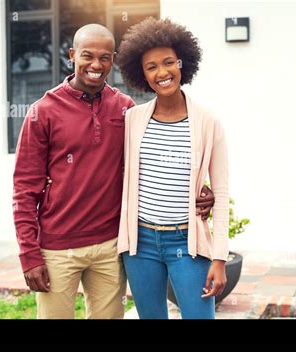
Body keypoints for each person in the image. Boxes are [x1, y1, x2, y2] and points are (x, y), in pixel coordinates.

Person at [12, 23, 215, 319]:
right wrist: (29, 254)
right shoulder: (43, 111)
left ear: (114, 59)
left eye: (105, 57)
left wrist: (199, 190)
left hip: (110, 247)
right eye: (87, 56)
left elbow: (154, 164)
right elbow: (24, 189)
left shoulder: (127, 110)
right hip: (58, 249)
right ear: (72, 55)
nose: (96, 64)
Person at [117, 18, 229, 319]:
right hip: (140, 246)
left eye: (169, 62)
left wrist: (219, 257)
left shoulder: (208, 122)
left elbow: (220, 192)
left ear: (183, 63)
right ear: (141, 74)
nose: (162, 73)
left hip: (187, 244)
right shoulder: (132, 119)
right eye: (151, 66)